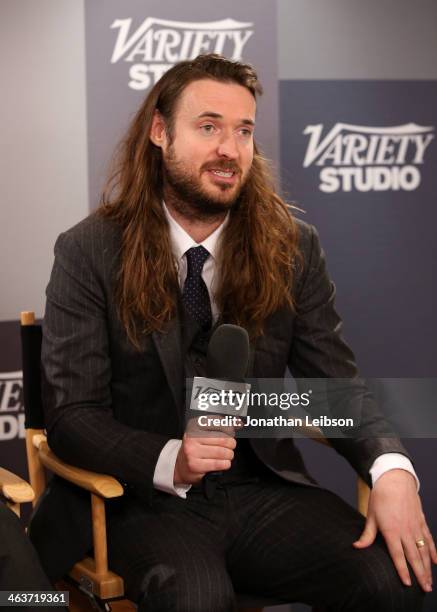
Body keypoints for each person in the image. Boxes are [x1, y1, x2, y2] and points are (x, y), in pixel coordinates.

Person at [35, 54, 435, 611]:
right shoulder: (90, 250)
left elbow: (336, 387)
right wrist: (171, 458)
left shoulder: (292, 244)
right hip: (145, 499)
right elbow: (73, 416)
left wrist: (390, 468)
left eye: (243, 130)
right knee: (196, 598)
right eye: (208, 127)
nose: (230, 148)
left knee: (390, 578)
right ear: (159, 132)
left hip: (260, 491)